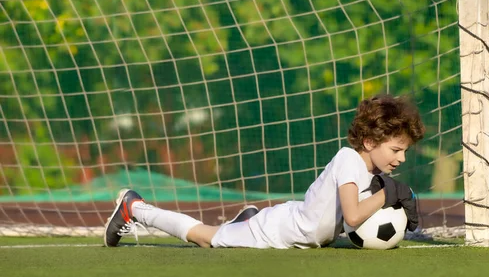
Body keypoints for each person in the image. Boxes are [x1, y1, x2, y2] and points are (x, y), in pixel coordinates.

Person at [104, 94, 425, 249]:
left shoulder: (368, 171)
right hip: (276, 231)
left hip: (289, 227)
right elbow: (354, 217)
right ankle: (135, 207)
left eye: (404, 151)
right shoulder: (348, 159)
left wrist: (391, 197)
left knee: (220, 234)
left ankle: (247, 218)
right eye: (396, 150)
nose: (401, 158)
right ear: (369, 141)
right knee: (205, 237)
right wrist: (390, 193)